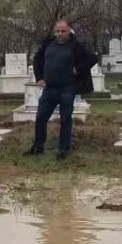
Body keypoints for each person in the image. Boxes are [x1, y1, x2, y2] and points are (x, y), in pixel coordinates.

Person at [26, 20, 98, 159]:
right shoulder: (48, 43)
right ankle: (38, 147)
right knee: (41, 117)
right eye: (58, 31)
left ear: (69, 31)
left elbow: (92, 58)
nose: (60, 34)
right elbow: (37, 59)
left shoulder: (76, 45)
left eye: (63, 31)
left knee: (65, 119)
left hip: (67, 87)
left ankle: (63, 150)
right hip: (49, 88)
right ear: (55, 32)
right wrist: (39, 77)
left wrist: (77, 69)